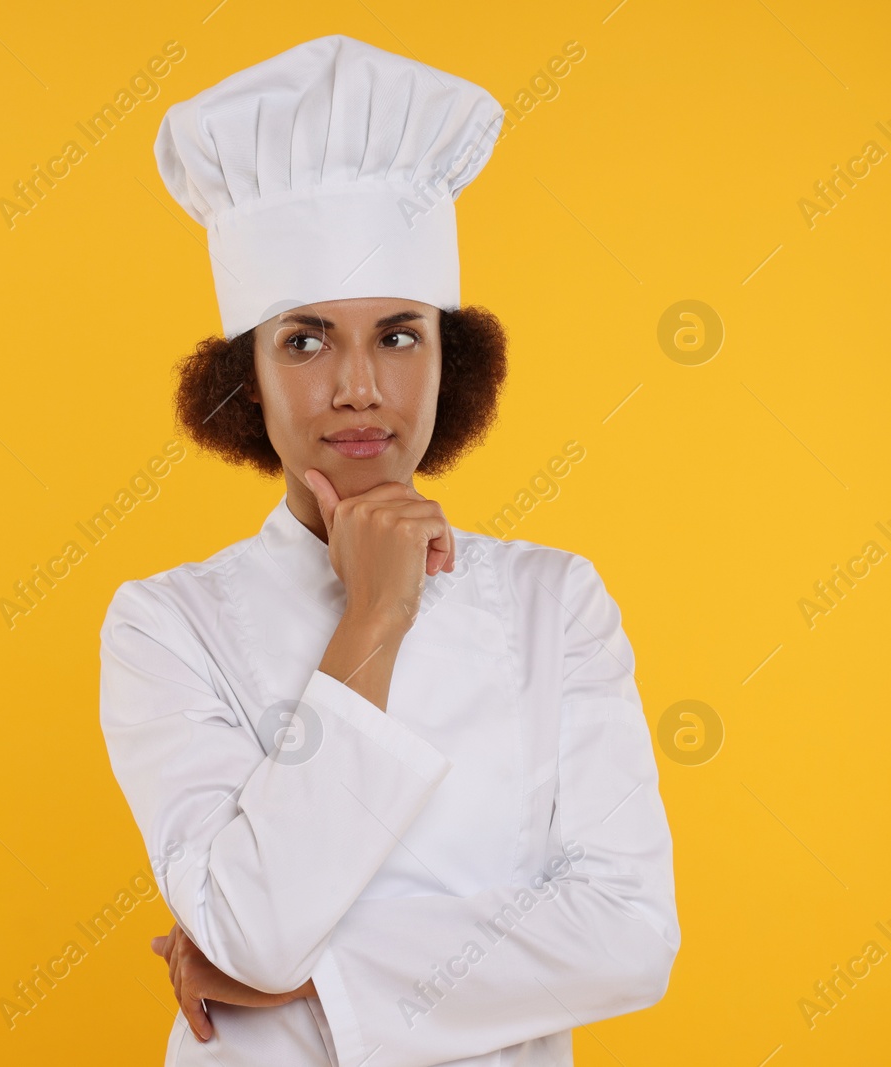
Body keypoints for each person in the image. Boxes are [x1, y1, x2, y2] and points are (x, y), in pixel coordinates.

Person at [98, 34, 680, 1067]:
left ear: (451, 358)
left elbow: (631, 936)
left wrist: (317, 975)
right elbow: (251, 930)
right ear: (248, 376)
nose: (359, 386)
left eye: (399, 334)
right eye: (306, 339)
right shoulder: (165, 621)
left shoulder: (556, 600)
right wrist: (374, 616)